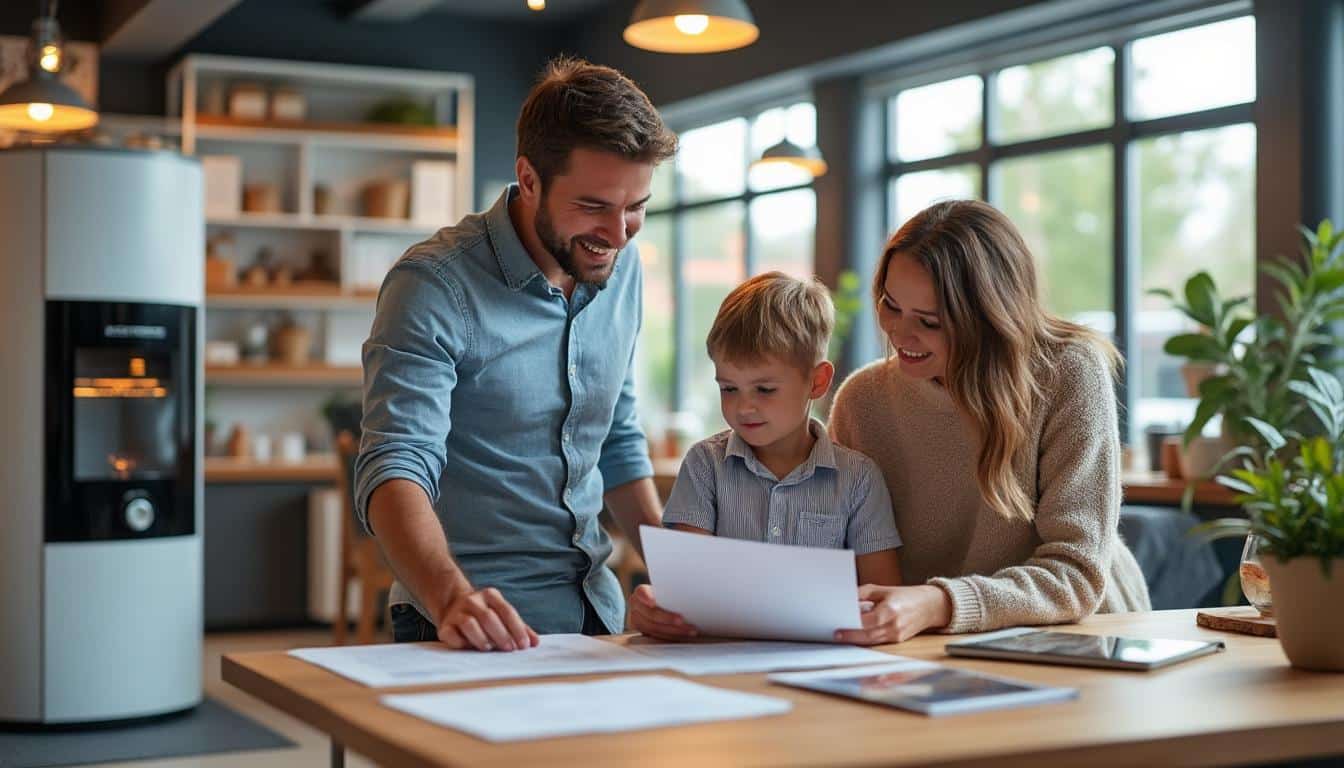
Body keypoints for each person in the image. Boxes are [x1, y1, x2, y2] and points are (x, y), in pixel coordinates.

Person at [353, 57, 677, 651]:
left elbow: (617, 437)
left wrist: (684, 580)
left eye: (636, 205)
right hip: (462, 620)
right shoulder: (433, 285)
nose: (620, 233)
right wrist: (452, 597)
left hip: (595, 614)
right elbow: (395, 464)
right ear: (529, 179)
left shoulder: (618, 264)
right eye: (594, 206)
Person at [825, 199, 1151, 645]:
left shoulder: (1068, 372)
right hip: (927, 643)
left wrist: (938, 602)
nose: (900, 334)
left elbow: (1076, 574)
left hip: (1081, 638)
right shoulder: (862, 401)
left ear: (990, 318)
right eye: (890, 305)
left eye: (930, 322)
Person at [633, 272, 903, 641]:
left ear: (817, 382)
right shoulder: (703, 465)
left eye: (764, 389)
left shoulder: (859, 479)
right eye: (728, 388)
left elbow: (882, 599)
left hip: (824, 663)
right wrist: (658, 611)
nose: (744, 406)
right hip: (717, 661)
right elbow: (686, 592)